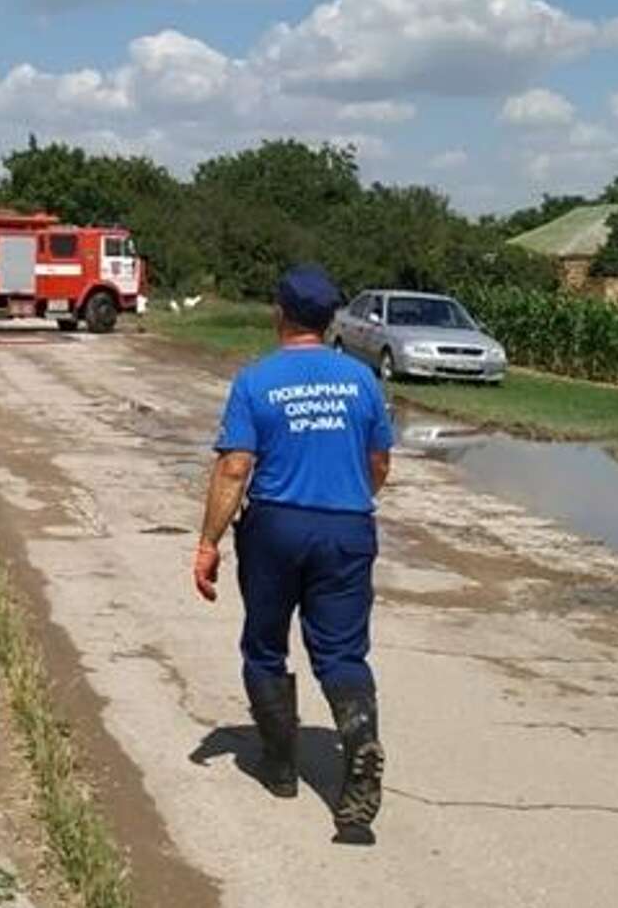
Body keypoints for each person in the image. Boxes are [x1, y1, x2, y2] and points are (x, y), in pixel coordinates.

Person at [193, 263, 393, 835]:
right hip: (348, 528)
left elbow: (235, 468)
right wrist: (347, 499)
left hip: (276, 528)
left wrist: (207, 542)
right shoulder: (361, 381)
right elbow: (379, 464)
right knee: (341, 654)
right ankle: (359, 742)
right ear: (330, 318)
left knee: (264, 644)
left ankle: (280, 766)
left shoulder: (256, 381)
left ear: (279, 312)